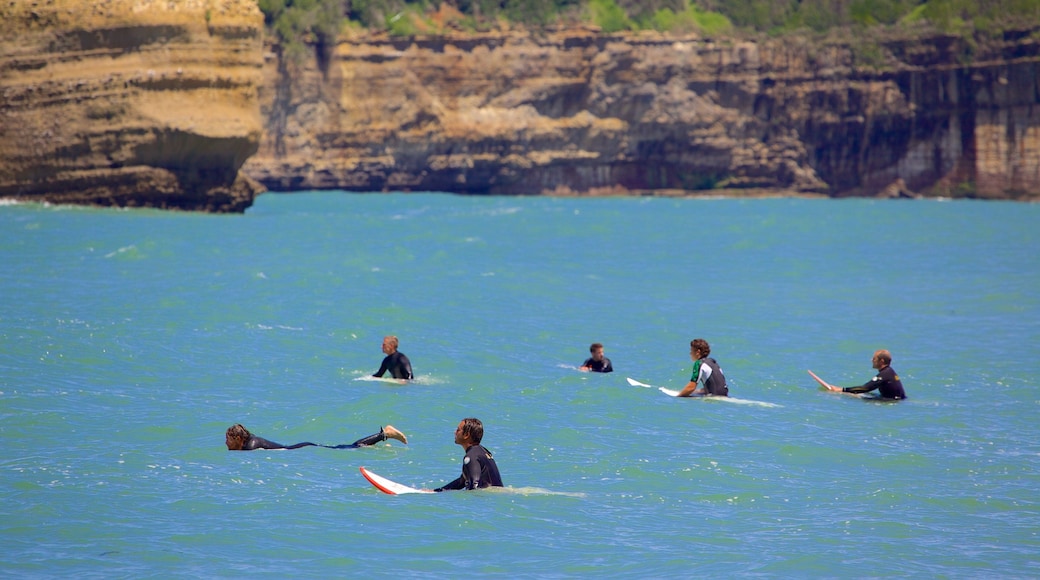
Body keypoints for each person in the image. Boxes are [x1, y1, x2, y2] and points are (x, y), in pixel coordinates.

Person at [434, 417, 503, 491]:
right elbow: (462, 482)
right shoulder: (482, 451)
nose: (455, 432)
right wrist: (436, 491)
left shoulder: (471, 457)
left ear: (466, 435)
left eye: (458, 430)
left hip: (488, 498)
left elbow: (474, 486)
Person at [225, 424, 408, 451]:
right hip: (301, 448)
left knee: (347, 448)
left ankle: (384, 434)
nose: (226, 442)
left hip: (301, 449)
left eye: (228, 439)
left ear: (238, 439)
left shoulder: (250, 446)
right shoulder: (249, 441)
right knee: (345, 448)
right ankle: (382, 436)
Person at [815, 349, 907, 400]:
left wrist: (841, 389)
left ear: (881, 361)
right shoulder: (889, 372)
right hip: (896, 400)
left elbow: (864, 388)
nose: (872, 360)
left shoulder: (884, 375)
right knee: (857, 394)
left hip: (892, 402)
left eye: (874, 359)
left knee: (856, 396)